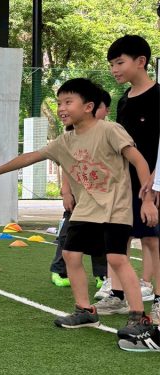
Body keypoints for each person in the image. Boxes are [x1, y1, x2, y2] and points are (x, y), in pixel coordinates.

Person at [0, 78, 158, 348]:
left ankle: (138, 317)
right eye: (59, 102)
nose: (61, 108)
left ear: (88, 106)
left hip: (115, 207)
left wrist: (147, 200)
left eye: (68, 102)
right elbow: (30, 156)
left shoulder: (110, 130)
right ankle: (85, 311)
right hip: (85, 209)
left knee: (117, 259)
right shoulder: (64, 141)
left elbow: (138, 160)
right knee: (70, 255)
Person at [93, 35, 160, 320]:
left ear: (141, 61)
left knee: (152, 240)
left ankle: (158, 301)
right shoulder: (123, 101)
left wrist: (155, 182)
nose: (114, 70)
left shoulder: (158, 96)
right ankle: (118, 295)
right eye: (111, 64)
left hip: (151, 184)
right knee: (119, 237)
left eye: (119, 63)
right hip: (123, 183)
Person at [49, 89, 111, 288]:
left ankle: (102, 275)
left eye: (98, 107)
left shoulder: (109, 133)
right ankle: (60, 270)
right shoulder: (72, 133)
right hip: (78, 195)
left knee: (100, 234)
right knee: (68, 232)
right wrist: (66, 191)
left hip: (100, 196)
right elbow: (67, 165)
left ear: (106, 110)